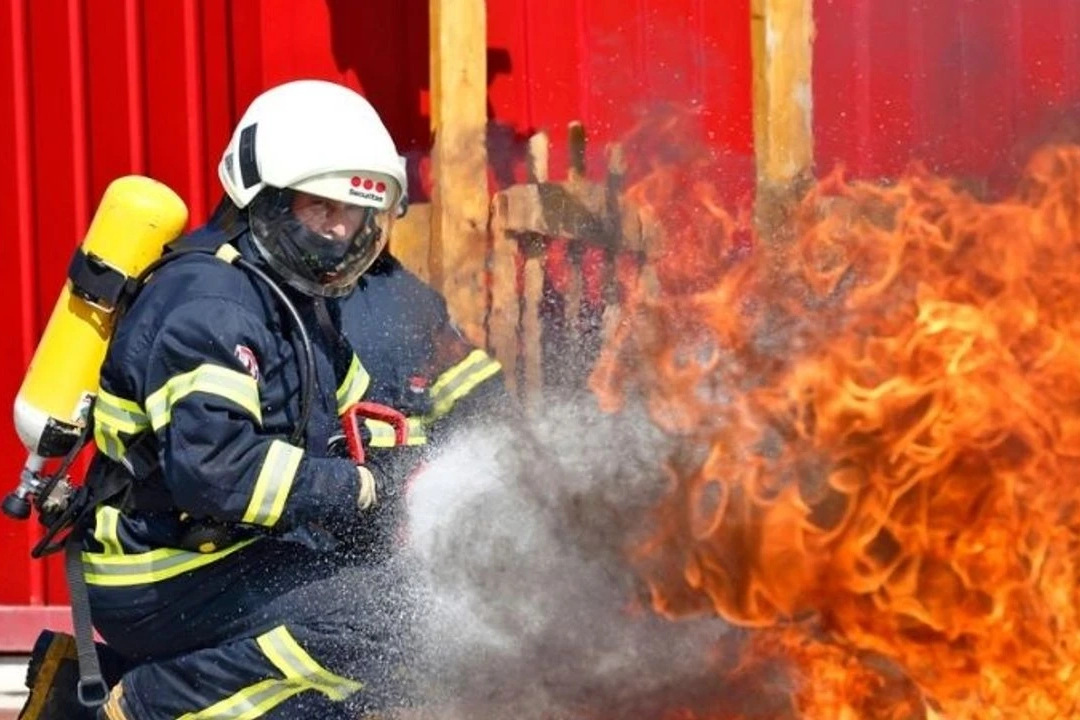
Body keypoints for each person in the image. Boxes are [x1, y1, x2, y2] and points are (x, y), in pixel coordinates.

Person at [22, 79, 422, 720]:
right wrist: (361, 490)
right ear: (264, 198)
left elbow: (354, 423)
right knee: (385, 622)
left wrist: (421, 472)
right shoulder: (211, 304)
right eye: (322, 208)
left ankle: (84, 693)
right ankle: (146, 707)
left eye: (353, 217)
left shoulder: (294, 303)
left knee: (405, 622)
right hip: (158, 571)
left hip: (225, 552)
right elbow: (218, 473)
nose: (340, 232)